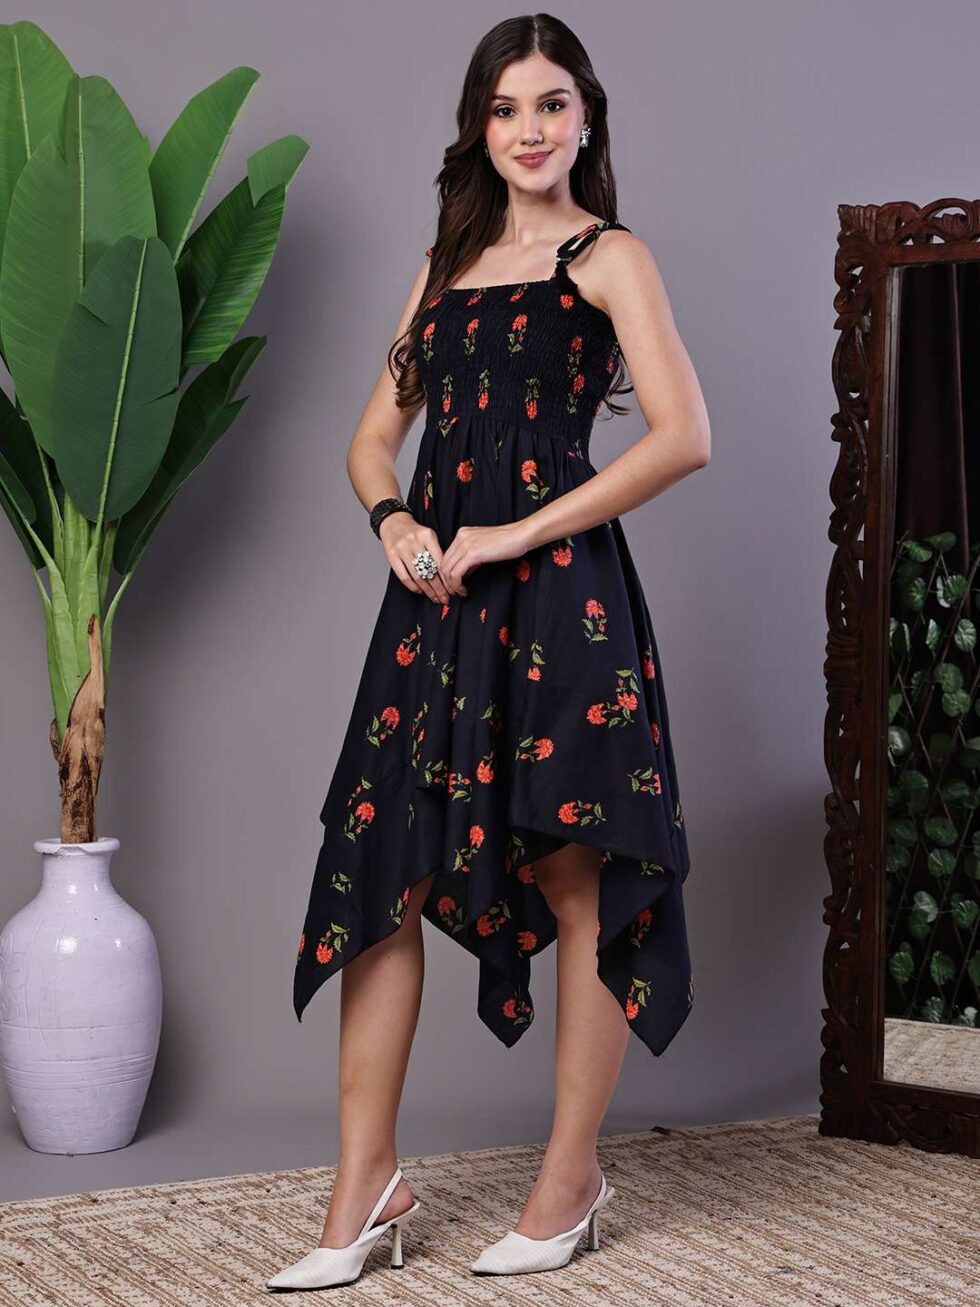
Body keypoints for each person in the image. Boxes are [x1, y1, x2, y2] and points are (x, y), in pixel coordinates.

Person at [269, 13, 710, 1292]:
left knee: (577, 877)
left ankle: (568, 1179)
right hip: (436, 602)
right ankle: (364, 1185)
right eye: (507, 107)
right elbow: (370, 439)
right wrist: (394, 519)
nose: (529, 128)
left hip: (563, 600)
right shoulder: (443, 265)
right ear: (478, 124)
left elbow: (682, 435)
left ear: (585, 117)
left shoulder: (609, 256)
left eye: (552, 104)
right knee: (382, 871)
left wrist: (515, 528)